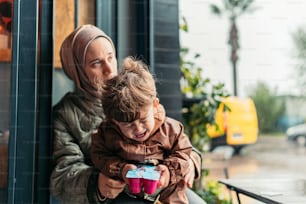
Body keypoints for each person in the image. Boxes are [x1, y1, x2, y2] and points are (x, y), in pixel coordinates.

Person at [50, 24, 205, 204]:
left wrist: (191, 163)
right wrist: (97, 184)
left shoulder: (133, 90)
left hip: (162, 186)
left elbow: (172, 137)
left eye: (111, 57)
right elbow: (62, 176)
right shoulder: (66, 114)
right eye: (96, 63)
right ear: (76, 71)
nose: (109, 69)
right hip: (116, 196)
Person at [91, 56, 192, 204]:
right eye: (127, 125)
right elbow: (99, 154)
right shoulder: (108, 133)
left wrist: (169, 172)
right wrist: (121, 169)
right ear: (113, 120)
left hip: (168, 193)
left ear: (155, 105)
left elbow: (184, 152)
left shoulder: (171, 129)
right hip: (128, 194)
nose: (138, 129)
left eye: (143, 119)